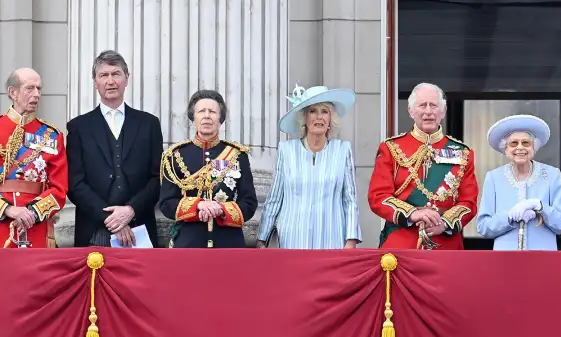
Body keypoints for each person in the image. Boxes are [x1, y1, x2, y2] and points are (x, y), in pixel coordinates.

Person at [66, 50, 164, 248]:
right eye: (104, 75)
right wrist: (112, 220)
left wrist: (130, 210)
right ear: (95, 82)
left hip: (140, 228)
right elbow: (75, 184)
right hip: (94, 230)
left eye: (116, 74)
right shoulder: (78, 127)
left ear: (126, 78)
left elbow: (157, 178)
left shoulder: (149, 124)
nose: (110, 81)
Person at [368, 82, 478, 250]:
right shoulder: (391, 148)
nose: (428, 111)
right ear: (411, 111)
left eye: (433, 105)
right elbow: (378, 196)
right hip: (401, 241)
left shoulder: (463, 153)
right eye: (422, 105)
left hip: (445, 243)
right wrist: (413, 214)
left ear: (443, 110)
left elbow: (468, 202)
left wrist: (445, 223)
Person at [257, 85, 361, 249]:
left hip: (332, 239)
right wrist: (262, 239)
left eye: (324, 111)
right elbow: (275, 198)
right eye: (313, 111)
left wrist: (351, 240)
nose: (318, 117)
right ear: (304, 118)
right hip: (293, 240)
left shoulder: (342, 150)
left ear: (330, 120)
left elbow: (349, 199)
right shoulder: (287, 150)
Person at [159, 90, 257, 248]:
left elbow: (249, 203)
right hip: (188, 243)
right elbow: (166, 203)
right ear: (193, 118)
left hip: (228, 243)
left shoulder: (237, 155)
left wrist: (221, 209)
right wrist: (198, 205)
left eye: (212, 112)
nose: (206, 116)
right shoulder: (175, 155)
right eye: (201, 111)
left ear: (220, 120)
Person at [476, 115, 561, 250]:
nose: (520, 148)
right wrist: (508, 217)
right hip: (505, 260)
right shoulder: (494, 178)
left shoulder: (552, 175)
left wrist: (541, 207)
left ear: (534, 147)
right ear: (505, 149)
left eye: (526, 143)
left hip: (543, 259)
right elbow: (483, 227)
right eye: (513, 143)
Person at [0, 68, 68, 248]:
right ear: (13, 92)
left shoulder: (52, 135)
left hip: (36, 225)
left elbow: (60, 189)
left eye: (39, 89)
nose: (36, 94)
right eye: (29, 88)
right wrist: (8, 209)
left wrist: (31, 213)